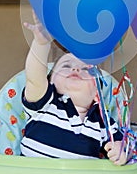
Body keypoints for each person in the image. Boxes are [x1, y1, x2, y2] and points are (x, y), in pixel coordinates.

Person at [20, 10, 127, 165]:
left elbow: (121, 145)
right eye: (66, 66)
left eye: (86, 69)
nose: (76, 69)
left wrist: (119, 150)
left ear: (97, 92)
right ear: (50, 82)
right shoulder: (46, 104)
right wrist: (41, 44)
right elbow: (34, 79)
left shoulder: (103, 122)